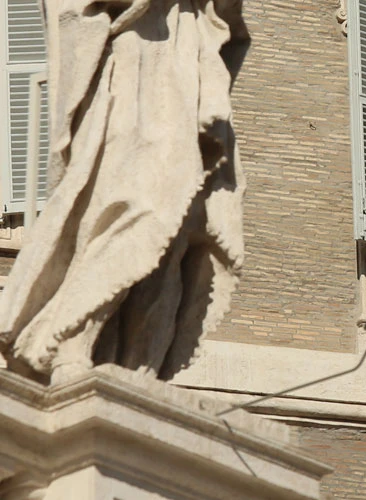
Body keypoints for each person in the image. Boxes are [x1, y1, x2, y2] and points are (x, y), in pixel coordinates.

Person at [0, 0, 249, 384]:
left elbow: (228, 19)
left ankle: (139, 367)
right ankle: (65, 338)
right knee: (141, 204)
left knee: (180, 232)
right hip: (131, 67)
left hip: (186, 64)